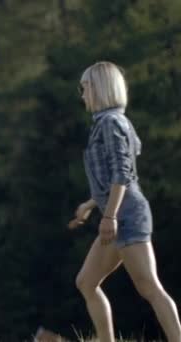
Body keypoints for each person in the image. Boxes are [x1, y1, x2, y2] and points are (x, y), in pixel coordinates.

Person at [70, 61, 181, 342]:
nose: (82, 95)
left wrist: (110, 217)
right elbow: (118, 176)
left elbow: (122, 173)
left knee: (150, 288)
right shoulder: (110, 123)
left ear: (99, 88)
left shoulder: (110, 123)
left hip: (126, 216)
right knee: (86, 282)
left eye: (85, 88)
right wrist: (91, 204)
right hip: (118, 212)